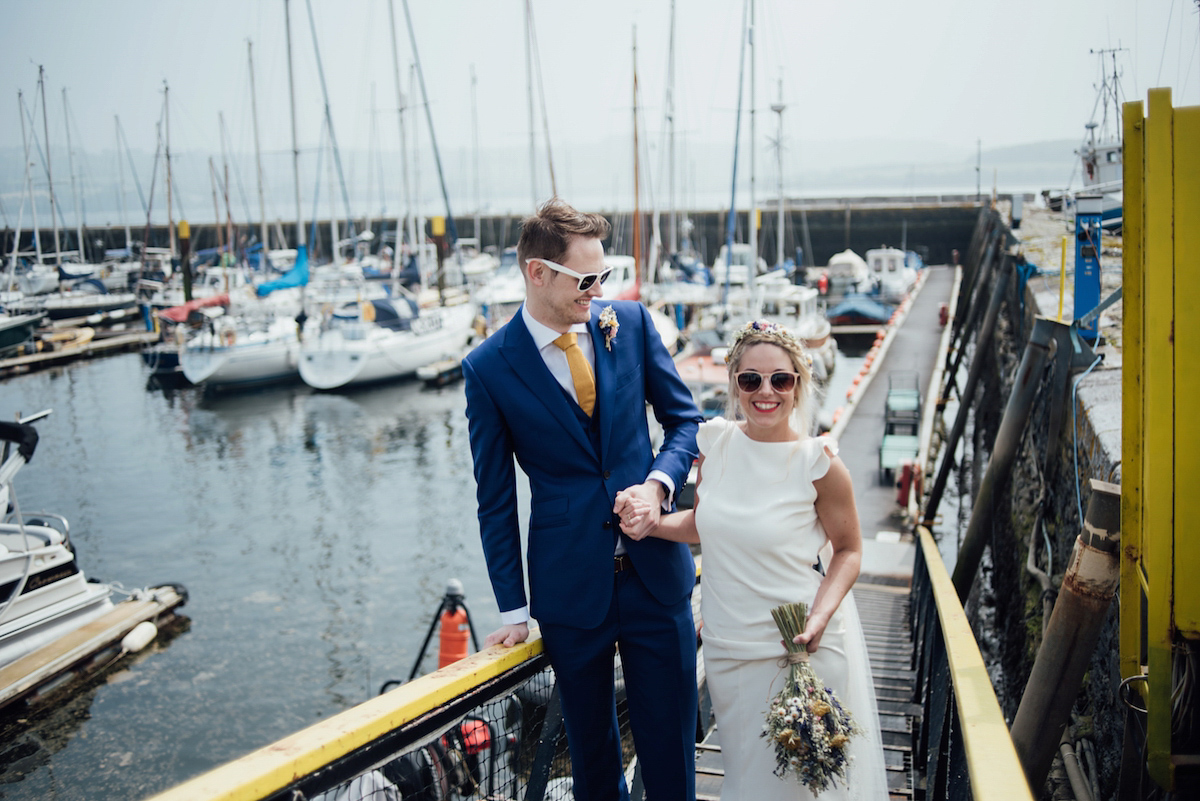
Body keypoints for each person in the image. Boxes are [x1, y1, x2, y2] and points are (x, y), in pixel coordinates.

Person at [463, 198, 704, 801]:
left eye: (604, 276)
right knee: (594, 769)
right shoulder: (487, 369)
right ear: (537, 273)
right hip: (569, 591)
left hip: (657, 578)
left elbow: (685, 423)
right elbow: (495, 501)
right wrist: (514, 613)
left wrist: (657, 486)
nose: (597, 291)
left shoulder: (632, 323)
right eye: (585, 279)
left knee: (672, 756)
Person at [623, 320, 888, 801]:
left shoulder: (819, 461)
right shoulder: (716, 444)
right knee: (748, 781)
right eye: (751, 380)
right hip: (730, 650)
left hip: (799, 646)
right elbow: (706, 525)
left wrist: (820, 618)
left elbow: (849, 551)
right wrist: (651, 523)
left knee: (801, 790)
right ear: (735, 384)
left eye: (779, 380)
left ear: (798, 384)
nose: (765, 392)